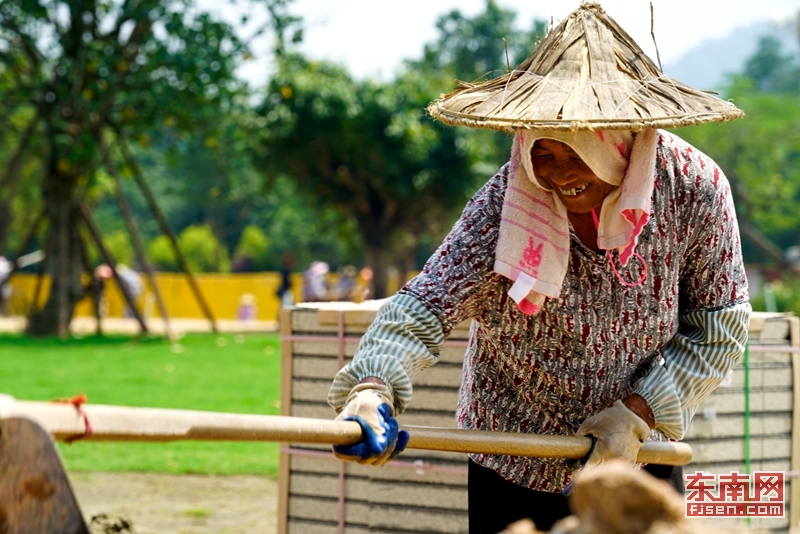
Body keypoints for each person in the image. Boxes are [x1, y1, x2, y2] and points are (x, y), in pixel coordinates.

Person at [327, 4, 750, 533]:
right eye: (541, 151)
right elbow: (425, 306)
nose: (557, 174)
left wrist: (637, 413)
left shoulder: (694, 190)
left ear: (621, 137)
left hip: (635, 457)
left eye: (576, 150)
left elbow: (718, 328)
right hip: (512, 459)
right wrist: (371, 389)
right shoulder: (508, 201)